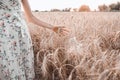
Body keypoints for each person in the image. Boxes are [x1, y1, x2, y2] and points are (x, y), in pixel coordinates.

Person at [0, 0, 70, 80]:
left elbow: (30, 18)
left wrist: (52, 27)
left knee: (24, 66)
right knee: (9, 67)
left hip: (22, 35)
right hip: (4, 36)